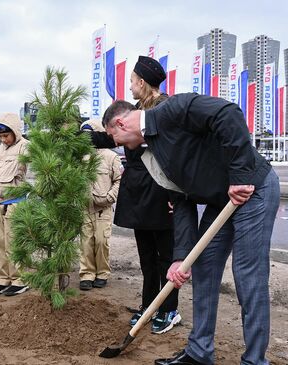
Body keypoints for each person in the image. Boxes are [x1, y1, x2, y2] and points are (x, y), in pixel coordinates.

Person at [101, 94, 279, 365]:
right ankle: (199, 352)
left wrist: (241, 175)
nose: (116, 145)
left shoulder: (173, 110)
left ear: (121, 123)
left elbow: (228, 114)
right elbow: (181, 201)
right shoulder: (150, 155)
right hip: (220, 201)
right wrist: (181, 257)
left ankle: (255, 360)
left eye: (114, 137)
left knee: (247, 275)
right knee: (203, 267)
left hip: (253, 188)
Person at [91, 56, 182, 334]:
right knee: (146, 257)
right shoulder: (134, 110)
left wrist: (175, 193)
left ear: (142, 82)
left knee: (165, 256)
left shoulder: (166, 108)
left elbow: (175, 152)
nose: (130, 87)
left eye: (132, 81)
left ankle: (169, 310)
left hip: (161, 188)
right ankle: (148, 305)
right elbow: (113, 137)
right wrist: (82, 136)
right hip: (138, 191)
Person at [0, 113, 29, 296]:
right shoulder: (1, 149)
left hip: (15, 204)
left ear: (15, 131)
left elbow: (42, 167)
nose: (3, 139)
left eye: (6, 135)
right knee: (0, 243)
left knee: (15, 243)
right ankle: (3, 278)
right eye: (0, 136)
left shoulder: (25, 147)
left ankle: (20, 280)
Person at [77, 119, 122, 291]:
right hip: (84, 207)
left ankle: (102, 273)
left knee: (102, 241)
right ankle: (87, 274)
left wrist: (110, 197)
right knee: (86, 242)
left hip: (103, 208)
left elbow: (118, 180)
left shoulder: (111, 157)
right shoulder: (79, 157)